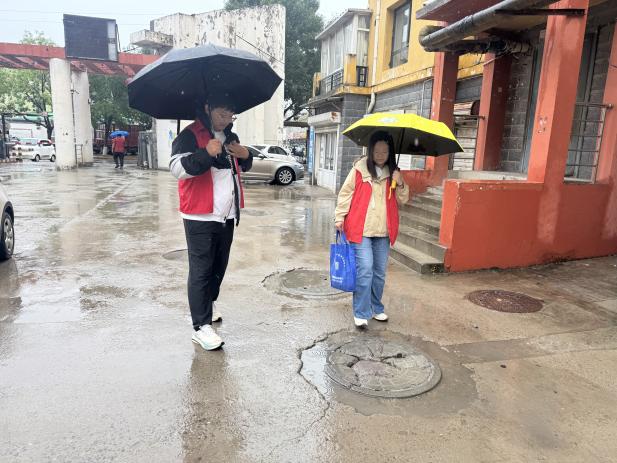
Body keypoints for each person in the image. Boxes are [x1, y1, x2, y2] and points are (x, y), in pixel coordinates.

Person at [169, 94, 252, 351]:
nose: (226, 120)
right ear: (207, 108)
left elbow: (240, 167)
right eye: (221, 114)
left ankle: (209, 302)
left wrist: (246, 155)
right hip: (199, 215)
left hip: (227, 215)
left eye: (230, 115)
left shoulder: (230, 136)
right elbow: (177, 169)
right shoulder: (189, 135)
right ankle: (200, 327)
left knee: (219, 266)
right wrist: (205, 153)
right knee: (201, 270)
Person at [334, 130, 410, 328]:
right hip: (361, 229)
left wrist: (400, 182)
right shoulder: (359, 170)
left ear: (390, 152)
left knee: (379, 273)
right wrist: (339, 216)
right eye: (377, 151)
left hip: (383, 230)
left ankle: (376, 307)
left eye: (385, 152)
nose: (380, 155)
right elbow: (345, 193)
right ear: (370, 151)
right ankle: (361, 311)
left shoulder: (394, 174)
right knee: (365, 270)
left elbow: (403, 200)